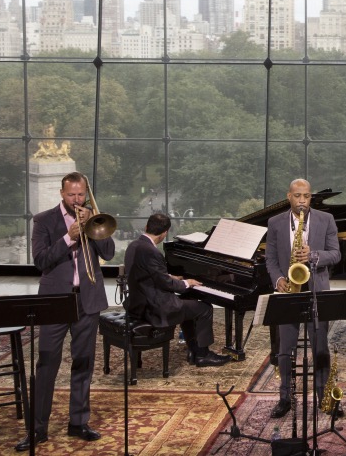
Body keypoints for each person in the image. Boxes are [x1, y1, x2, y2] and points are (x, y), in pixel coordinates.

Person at [16, 172, 115, 451]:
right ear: (62, 193)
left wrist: (93, 224)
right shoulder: (43, 220)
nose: (76, 200)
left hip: (87, 300)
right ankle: (37, 429)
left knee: (83, 362)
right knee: (46, 362)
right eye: (71, 195)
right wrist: (68, 237)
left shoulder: (93, 216)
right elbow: (41, 261)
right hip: (55, 300)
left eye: (81, 194)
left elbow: (108, 253)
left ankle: (78, 422)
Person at [265, 179, 342, 419]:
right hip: (288, 291)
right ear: (288, 196)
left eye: (306, 196)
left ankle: (323, 397)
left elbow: (336, 254)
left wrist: (314, 255)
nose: (302, 201)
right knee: (284, 351)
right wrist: (278, 279)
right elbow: (270, 259)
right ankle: (285, 397)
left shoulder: (325, 220)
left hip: (317, 290)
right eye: (297, 196)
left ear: (311, 198)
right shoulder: (275, 222)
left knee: (320, 348)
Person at [124, 213, 230, 368]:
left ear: (147, 227)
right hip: (155, 308)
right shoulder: (153, 252)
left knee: (188, 306)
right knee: (204, 309)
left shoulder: (134, 245)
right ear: (165, 233)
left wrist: (171, 276)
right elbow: (166, 284)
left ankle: (194, 348)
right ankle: (203, 355)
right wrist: (187, 282)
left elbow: (150, 273)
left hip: (138, 303)